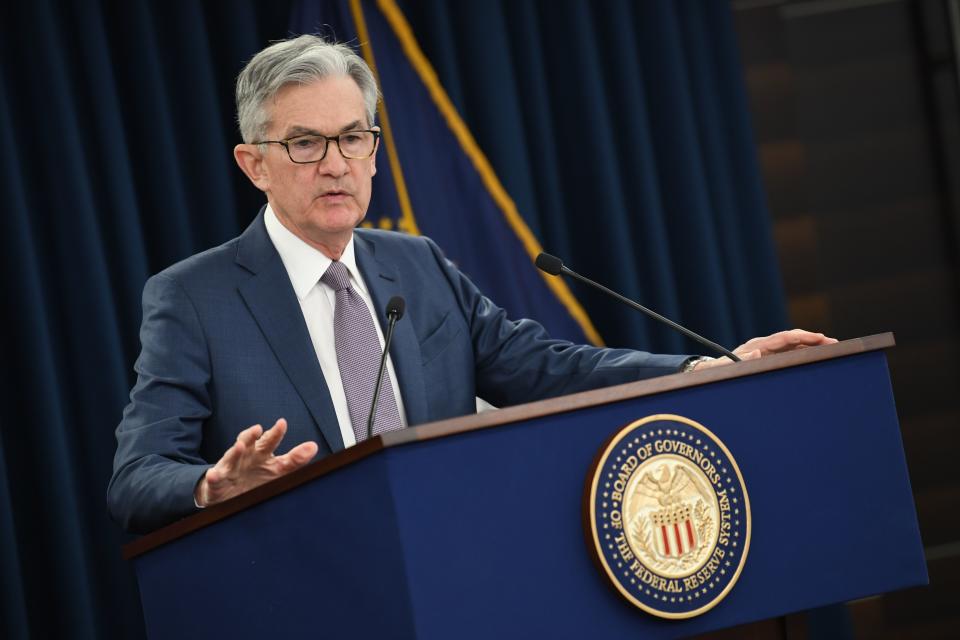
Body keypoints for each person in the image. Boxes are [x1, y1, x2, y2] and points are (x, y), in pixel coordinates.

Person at [107, 35, 834, 534]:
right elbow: (136, 475)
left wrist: (707, 368)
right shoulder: (194, 299)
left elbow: (547, 368)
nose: (336, 163)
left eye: (354, 137)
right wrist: (212, 487)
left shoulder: (416, 265)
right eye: (305, 142)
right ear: (254, 164)